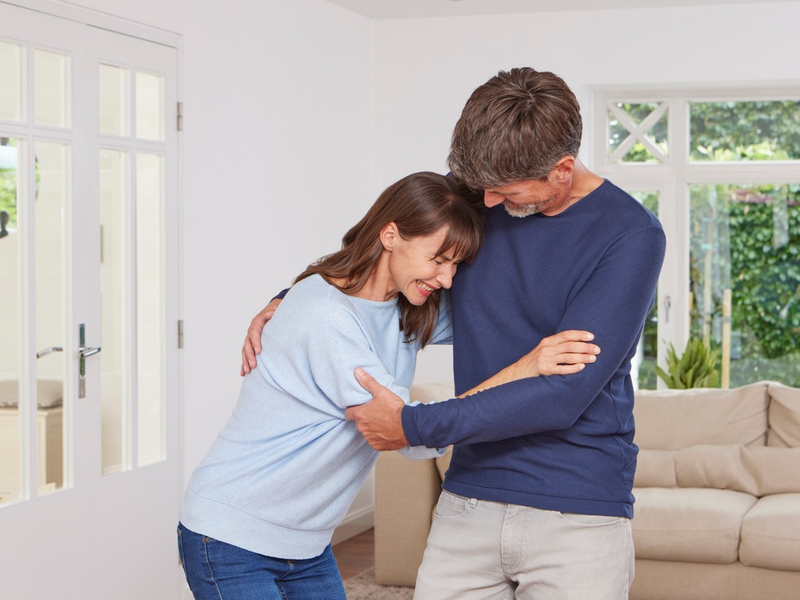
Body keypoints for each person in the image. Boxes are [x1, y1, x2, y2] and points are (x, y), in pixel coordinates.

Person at [242, 68, 666, 600]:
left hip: (577, 508)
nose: (486, 204)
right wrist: (299, 296)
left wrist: (413, 427)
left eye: (504, 192)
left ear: (561, 170)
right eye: (481, 188)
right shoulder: (486, 187)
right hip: (468, 497)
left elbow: (563, 395)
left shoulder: (630, 236)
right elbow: (388, 250)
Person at [181, 171, 600, 600]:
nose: (448, 279)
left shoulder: (402, 307)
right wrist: (526, 368)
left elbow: (504, 317)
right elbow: (409, 433)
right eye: (438, 260)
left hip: (304, 543)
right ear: (391, 234)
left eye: (456, 264)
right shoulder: (324, 317)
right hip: (233, 532)